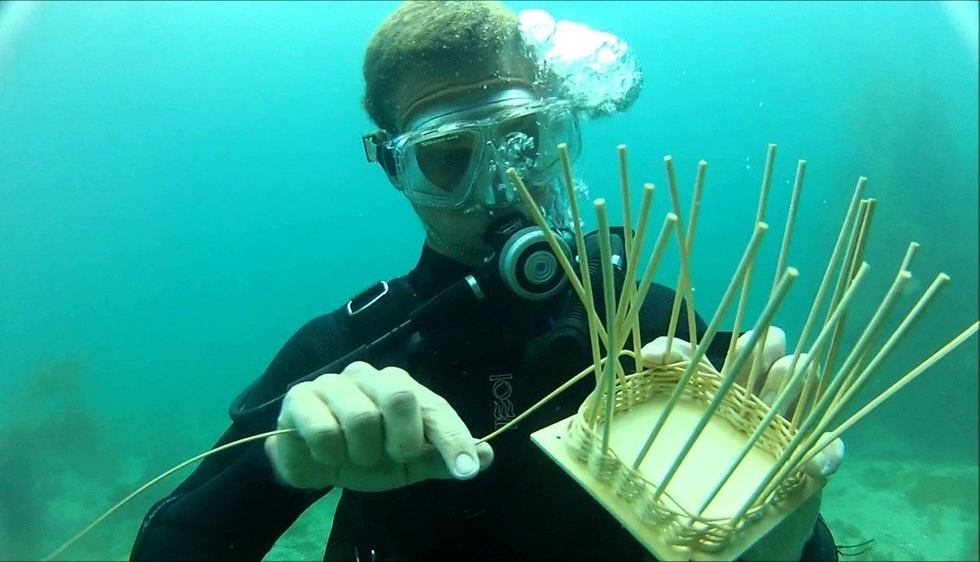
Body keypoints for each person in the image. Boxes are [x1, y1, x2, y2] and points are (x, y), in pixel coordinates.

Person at [130, 2, 842, 560]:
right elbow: (169, 548)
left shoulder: (646, 324)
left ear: (562, 137)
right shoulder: (351, 351)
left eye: (524, 140)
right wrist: (281, 466)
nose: (501, 185)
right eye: (449, 156)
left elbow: (791, 544)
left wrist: (788, 541)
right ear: (396, 170)